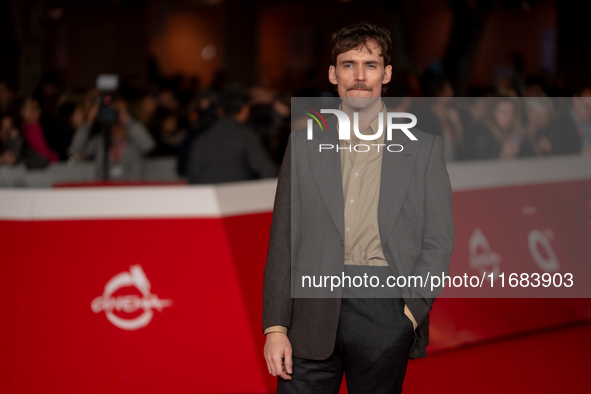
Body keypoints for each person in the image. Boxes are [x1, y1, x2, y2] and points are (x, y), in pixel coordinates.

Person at [262, 22, 454, 393]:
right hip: (310, 309)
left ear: (387, 74)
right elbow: (283, 240)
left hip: (384, 309)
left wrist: (411, 313)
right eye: (349, 65)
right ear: (334, 75)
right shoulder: (303, 144)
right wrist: (275, 327)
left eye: (371, 64)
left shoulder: (423, 149)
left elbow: (439, 241)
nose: (360, 76)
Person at [185, 84, 278, 184]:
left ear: (220, 110)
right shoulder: (245, 136)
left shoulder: (201, 138)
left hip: (206, 197)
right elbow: (267, 171)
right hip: (237, 196)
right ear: (245, 110)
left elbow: (191, 176)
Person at [68, 98, 155, 180]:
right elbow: (76, 151)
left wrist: (128, 120)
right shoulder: (100, 141)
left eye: (117, 112)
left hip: (132, 190)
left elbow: (149, 146)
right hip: (105, 191)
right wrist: (88, 122)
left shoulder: (135, 138)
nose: (114, 116)